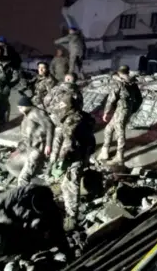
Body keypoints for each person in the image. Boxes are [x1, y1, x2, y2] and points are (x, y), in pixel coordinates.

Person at [0, 184, 70, 271]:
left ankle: (46, 243)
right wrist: (21, 224)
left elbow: (55, 217)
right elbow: (3, 217)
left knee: (42, 223)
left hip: (21, 210)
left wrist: (63, 238)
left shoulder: (45, 197)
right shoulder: (19, 193)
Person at [50, 97, 96, 230]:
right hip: (85, 152)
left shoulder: (70, 121)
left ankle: (71, 218)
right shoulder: (85, 116)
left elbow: (68, 144)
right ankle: (71, 211)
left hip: (75, 157)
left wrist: (60, 160)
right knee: (67, 184)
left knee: (71, 185)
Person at [97, 65, 141, 164]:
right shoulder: (133, 83)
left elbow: (111, 99)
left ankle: (120, 155)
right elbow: (139, 99)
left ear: (119, 72)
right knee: (108, 129)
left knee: (119, 132)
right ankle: (105, 152)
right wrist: (133, 109)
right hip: (126, 109)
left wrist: (106, 113)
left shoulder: (119, 84)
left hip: (120, 110)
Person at [15, 96, 54, 186]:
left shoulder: (37, 112)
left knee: (24, 176)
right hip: (31, 146)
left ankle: (21, 194)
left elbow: (49, 127)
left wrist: (48, 145)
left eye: (21, 107)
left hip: (38, 147)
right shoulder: (28, 114)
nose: (19, 110)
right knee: (30, 169)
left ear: (27, 105)